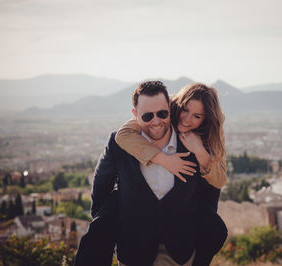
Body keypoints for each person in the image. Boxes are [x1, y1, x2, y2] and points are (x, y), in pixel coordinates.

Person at [75, 81, 210, 266]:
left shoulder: (192, 142)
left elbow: (208, 196)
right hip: (133, 252)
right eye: (147, 116)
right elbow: (100, 191)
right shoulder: (119, 145)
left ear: (170, 109)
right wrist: (110, 228)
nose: (156, 121)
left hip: (180, 253)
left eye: (162, 113)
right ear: (135, 115)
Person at [115, 83, 227, 265]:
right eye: (185, 110)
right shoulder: (162, 112)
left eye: (197, 116)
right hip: (137, 243)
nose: (187, 119)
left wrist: (199, 151)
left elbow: (220, 179)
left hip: (185, 238)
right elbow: (123, 134)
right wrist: (164, 159)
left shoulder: (211, 135)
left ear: (206, 120)